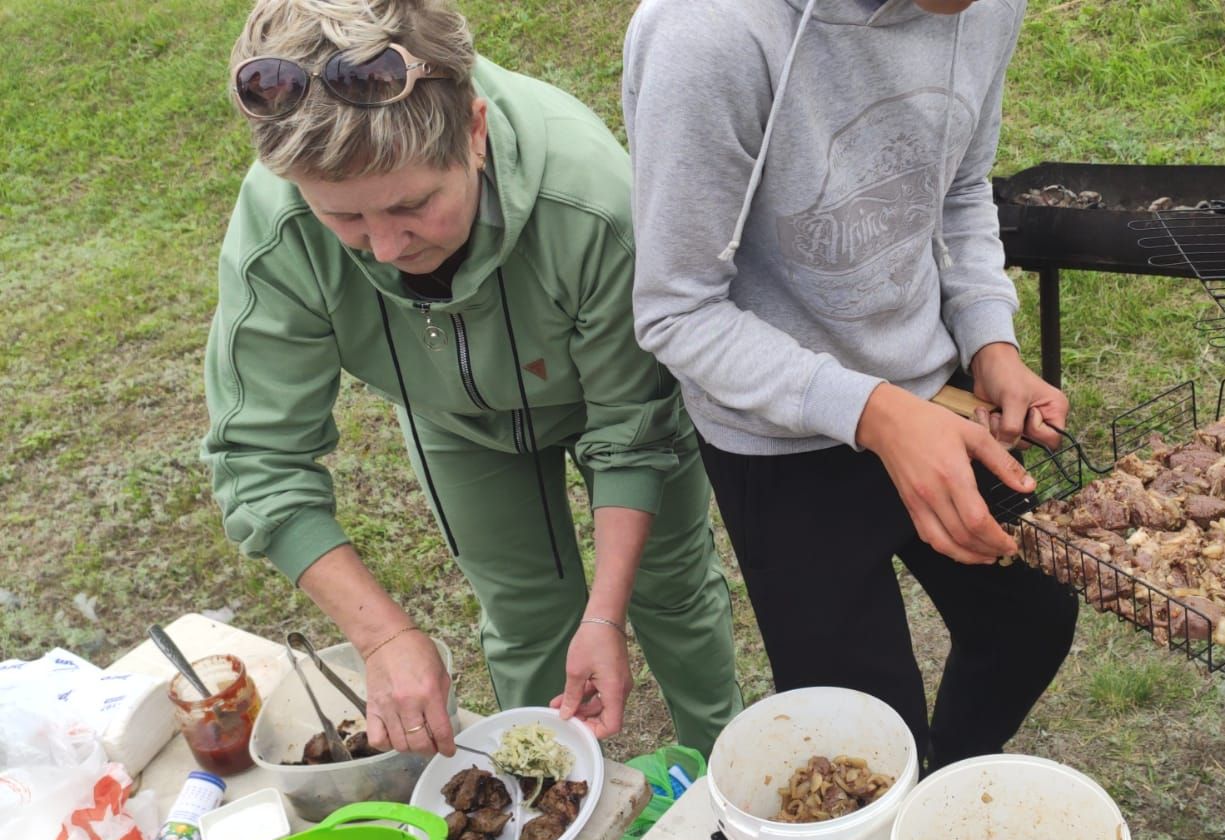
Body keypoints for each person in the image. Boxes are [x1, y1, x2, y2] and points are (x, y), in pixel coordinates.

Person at [202, 0, 743, 759]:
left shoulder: (591, 203)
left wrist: (605, 618)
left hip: (615, 402)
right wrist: (384, 636)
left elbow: (632, 429)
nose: (385, 247)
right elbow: (258, 459)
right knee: (525, 617)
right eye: (345, 220)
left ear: (475, 131)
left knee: (674, 593)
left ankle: (723, 770)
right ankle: (547, 807)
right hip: (453, 421)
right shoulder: (280, 226)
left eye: (413, 205)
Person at [622, 0, 1076, 770]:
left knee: (1029, 615)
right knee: (861, 730)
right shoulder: (708, 33)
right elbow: (677, 311)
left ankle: (942, 782)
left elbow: (960, 190)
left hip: (937, 391)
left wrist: (988, 336)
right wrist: (872, 411)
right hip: (777, 433)